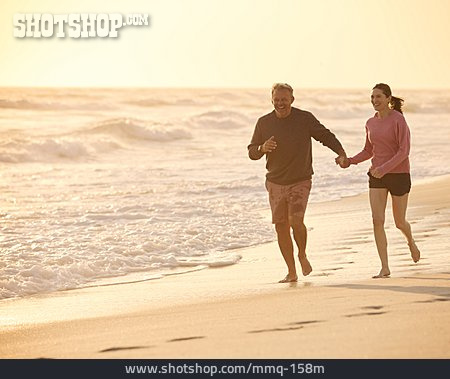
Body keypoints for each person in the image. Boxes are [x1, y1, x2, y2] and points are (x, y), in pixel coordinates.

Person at [248, 83, 347, 283]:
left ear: (292, 100)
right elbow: (252, 152)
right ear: (272, 100)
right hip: (275, 182)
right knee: (280, 226)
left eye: (284, 99)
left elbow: (325, 136)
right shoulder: (264, 122)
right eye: (276, 99)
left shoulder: (304, 119)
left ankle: (302, 254)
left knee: (295, 221)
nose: (280, 103)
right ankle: (291, 271)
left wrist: (341, 153)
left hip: (300, 179)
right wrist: (262, 148)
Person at [337, 83, 420, 278]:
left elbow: (404, 151)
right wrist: (349, 161)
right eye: (372, 97)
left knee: (400, 222)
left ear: (388, 99)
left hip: (398, 175)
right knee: (377, 220)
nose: (375, 100)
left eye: (378, 97)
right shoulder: (370, 123)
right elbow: (368, 150)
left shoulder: (398, 120)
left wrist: (384, 169)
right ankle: (384, 267)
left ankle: (411, 241)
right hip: (376, 176)